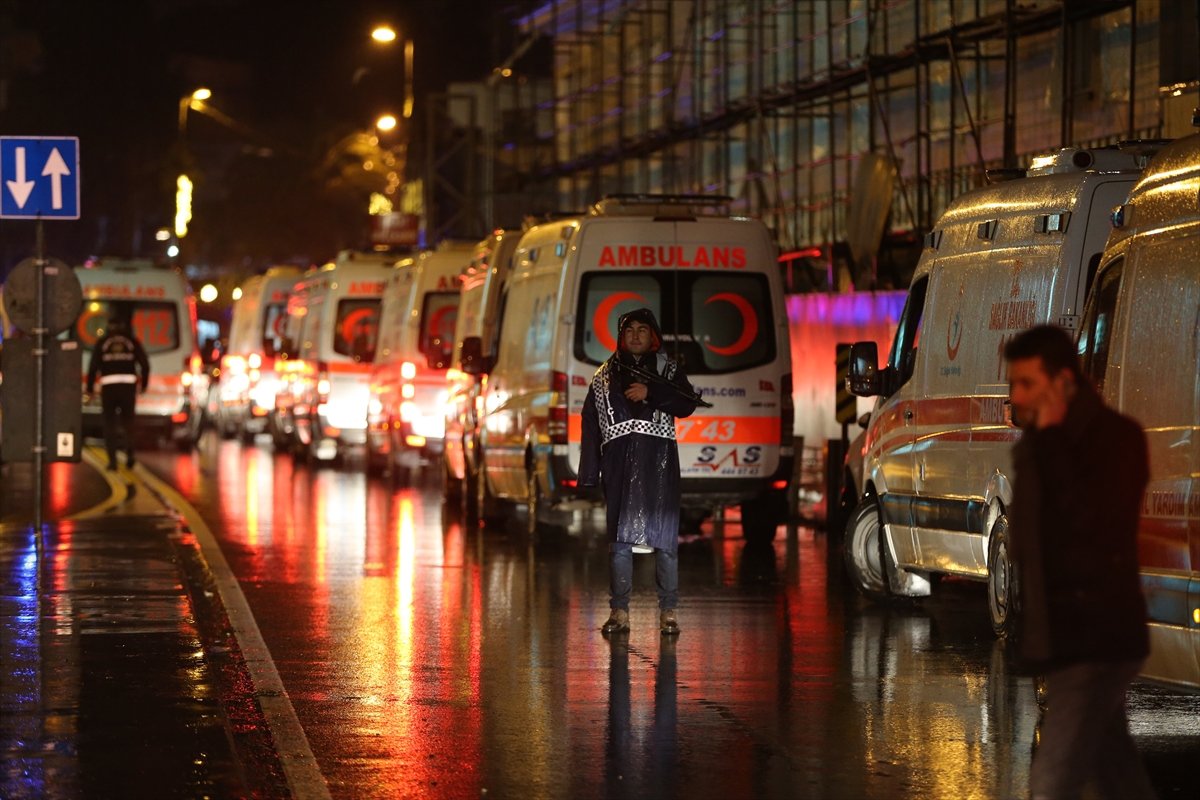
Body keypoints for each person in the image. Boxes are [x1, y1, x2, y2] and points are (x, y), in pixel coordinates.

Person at [1004, 324, 1156, 800]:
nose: (1016, 397)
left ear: (1064, 381)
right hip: (1065, 634)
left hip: (1096, 637)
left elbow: (1089, 526)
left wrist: (1049, 443)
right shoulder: (1036, 445)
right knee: (1116, 773)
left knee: (1053, 781)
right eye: (1014, 384)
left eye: (1027, 384)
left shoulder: (1117, 440)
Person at [579, 308, 699, 636]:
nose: (635, 335)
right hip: (618, 467)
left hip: (658, 464)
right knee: (619, 542)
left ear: (652, 336)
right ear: (620, 336)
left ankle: (668, 613)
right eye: (629, 329)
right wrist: (590, 473)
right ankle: (619, 613)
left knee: (665, 540)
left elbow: (687, 404)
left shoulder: (668, 370)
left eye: (642, 330)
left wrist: (652, 393)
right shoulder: (603, 377)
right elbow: (590, 425)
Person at [86, 316, 150, 471]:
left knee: (109, 425)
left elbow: (93, 366)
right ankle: (130, 456)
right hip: (128, 389)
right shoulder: (132, 341)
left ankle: (113, 462)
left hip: (109, 390)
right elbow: (145, 364)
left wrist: (89, 388)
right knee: (128, 423)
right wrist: (143, 385)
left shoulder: (103, 342)